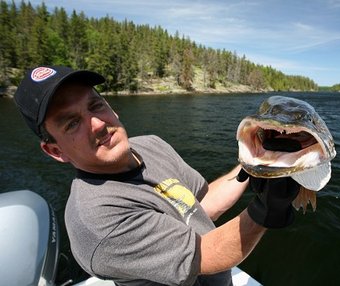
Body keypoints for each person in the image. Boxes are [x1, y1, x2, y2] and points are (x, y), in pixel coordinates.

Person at [14, 66, 300, 286]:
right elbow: (204, 254)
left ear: (111, 107)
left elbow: (200, 206)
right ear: (54, 151)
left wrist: (258, 161)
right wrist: (266, 211)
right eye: (72, 123)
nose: (99, 125)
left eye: (95, 105)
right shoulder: (96, 219)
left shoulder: (150, 144)